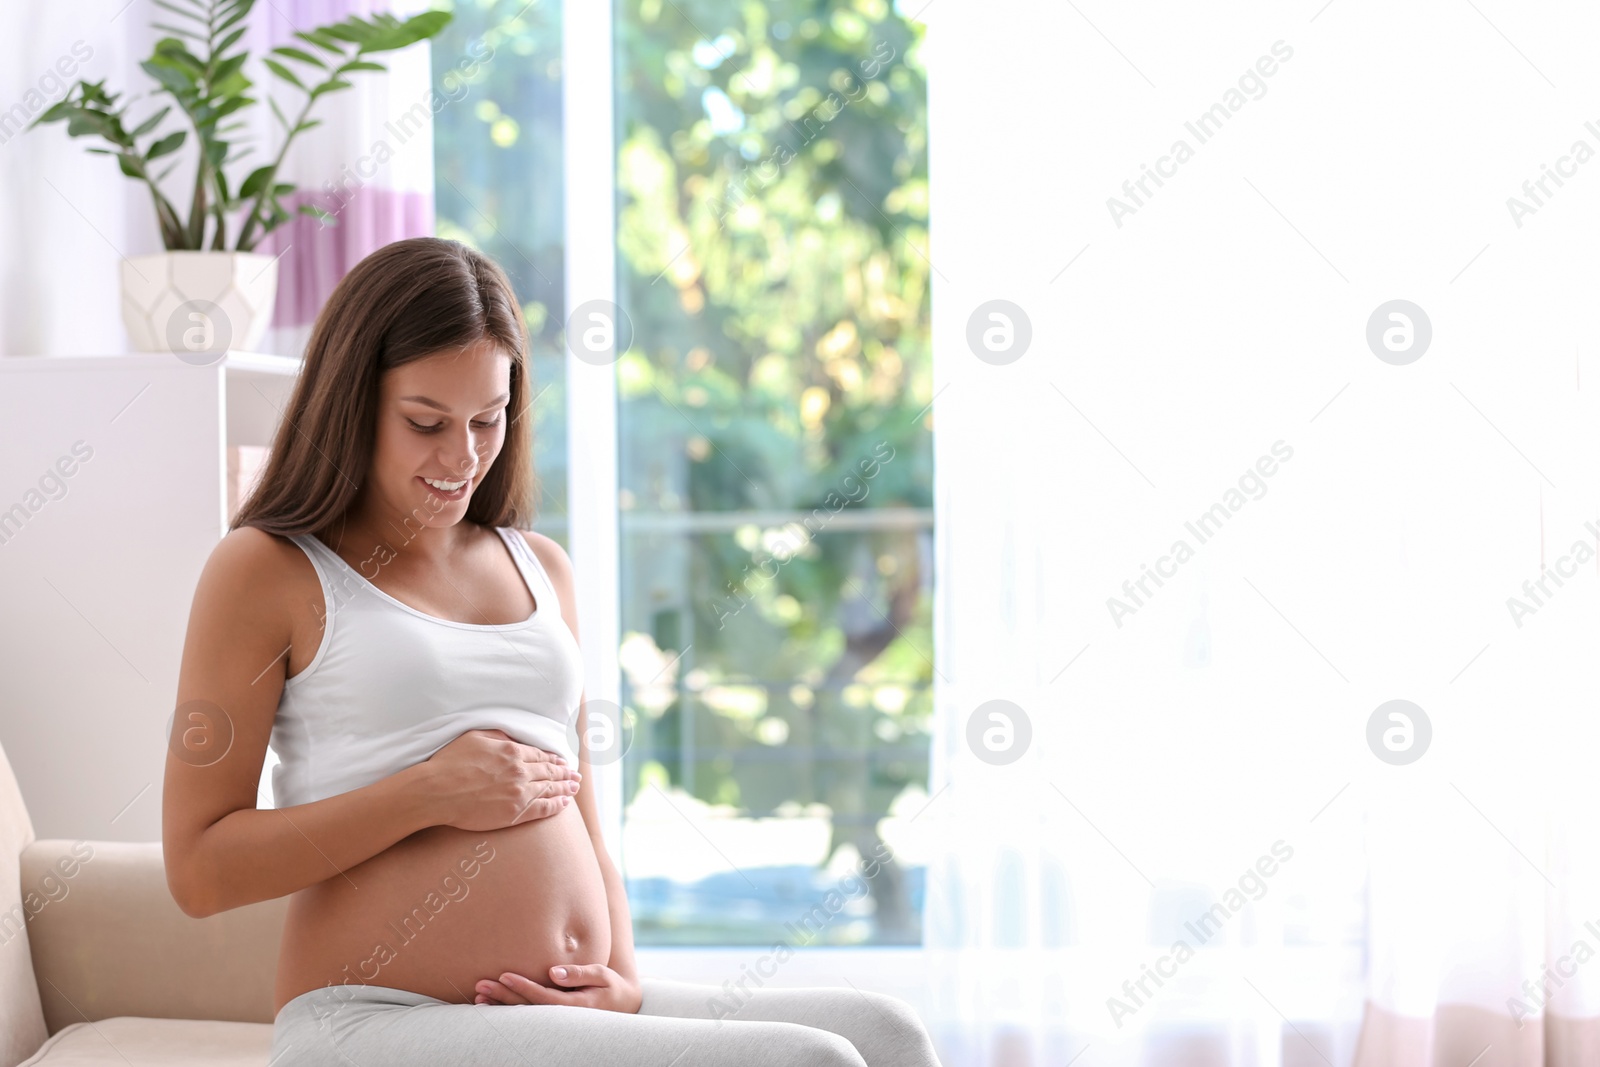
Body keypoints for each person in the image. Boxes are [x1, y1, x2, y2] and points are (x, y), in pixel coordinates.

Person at [161, 236, 944, 1067]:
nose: (461, 457)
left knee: (888, 1034)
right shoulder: (268, 568)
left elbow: (587, 824)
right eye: (425, 422)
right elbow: (200, 869)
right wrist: (426, 792)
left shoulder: (542, 568)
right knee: (811, 1063)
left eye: (488, 419)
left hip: (563, 1007)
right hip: (371, 1018)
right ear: (352, 403)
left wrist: (625, 985)